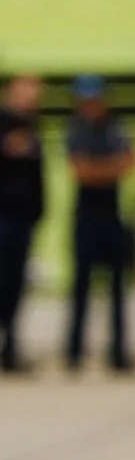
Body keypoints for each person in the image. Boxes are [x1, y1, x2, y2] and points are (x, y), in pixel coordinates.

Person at [63, 80, 135, 373]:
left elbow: (132, 161)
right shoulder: (77, 129)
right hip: (86, 219)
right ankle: (74, 352)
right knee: (80, 288)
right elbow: (81, 172)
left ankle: (118, 352)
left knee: (118, 290)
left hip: (112, 217)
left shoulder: (115, 127)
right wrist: (111, 167)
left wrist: (97, 169)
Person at [0, 76, 45, 375]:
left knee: (15, 286)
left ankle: (11, 347)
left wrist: (40, 211)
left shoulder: (30, 127)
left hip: (22, 219)